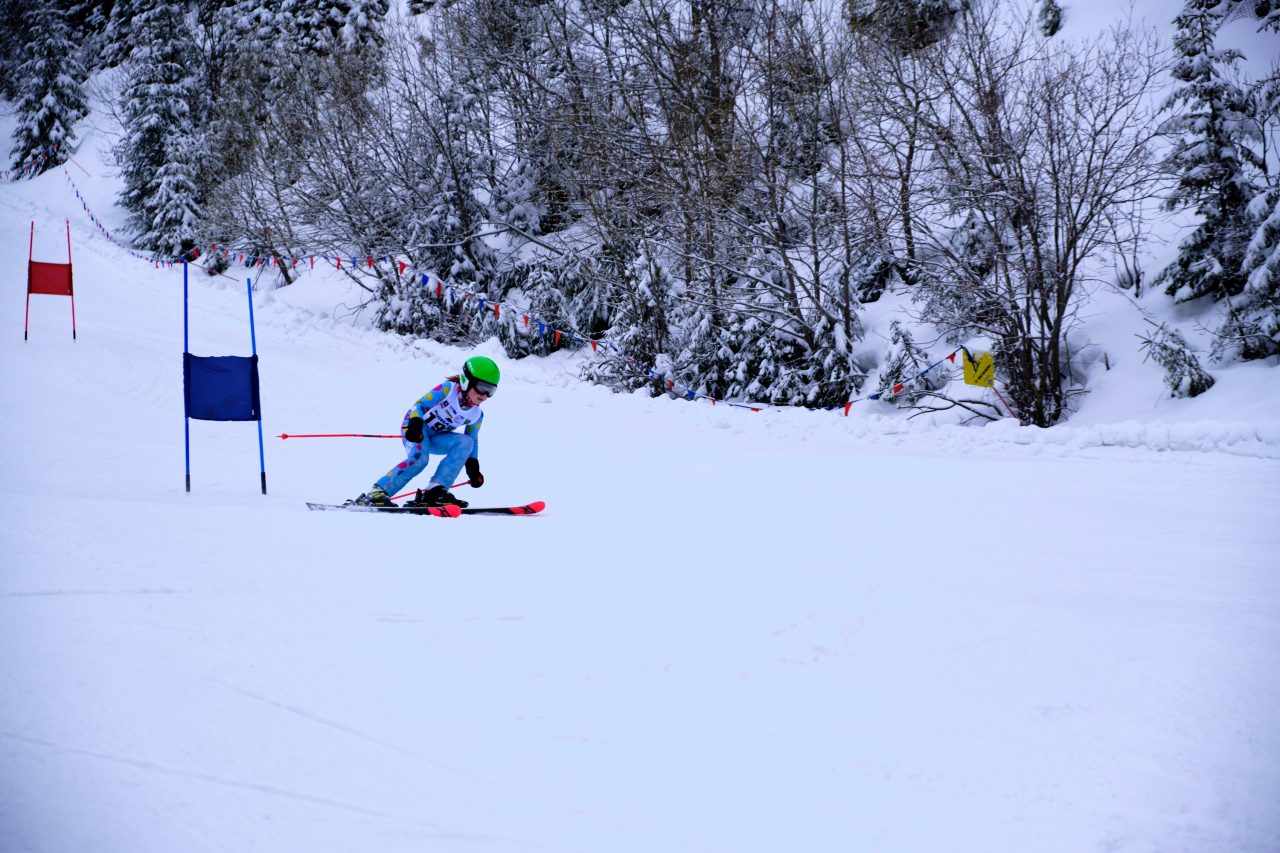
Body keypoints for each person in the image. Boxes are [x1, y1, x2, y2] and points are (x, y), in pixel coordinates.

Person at [353, 355, 499, 508]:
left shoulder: (476, 415)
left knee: (466, 442)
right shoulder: (448, 390)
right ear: (466, 381)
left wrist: (473, 467)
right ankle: (377, 492)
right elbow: (419, 405)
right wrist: (415, 425)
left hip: (437, 438)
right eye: (482, 387)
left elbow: (472, 439)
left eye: (490, 390)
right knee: (420, 459)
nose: (484, 395)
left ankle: (435, 490)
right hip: (416, 429)